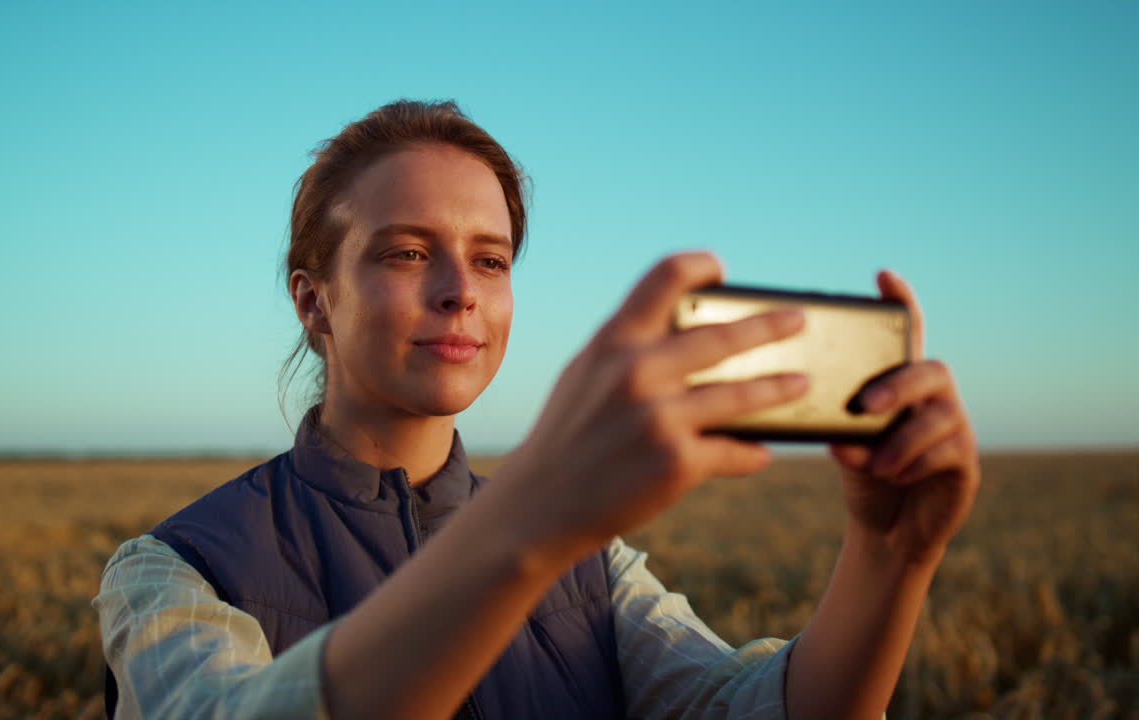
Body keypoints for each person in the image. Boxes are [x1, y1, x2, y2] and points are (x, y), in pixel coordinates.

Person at [93, 99, 980, 720]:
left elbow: (752, 711)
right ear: (313, 301)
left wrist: (890, 556)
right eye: (406, 254)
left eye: (490, 259)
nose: (459, 294)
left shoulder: (591, 564)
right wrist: (533, 518)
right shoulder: (175, 572)